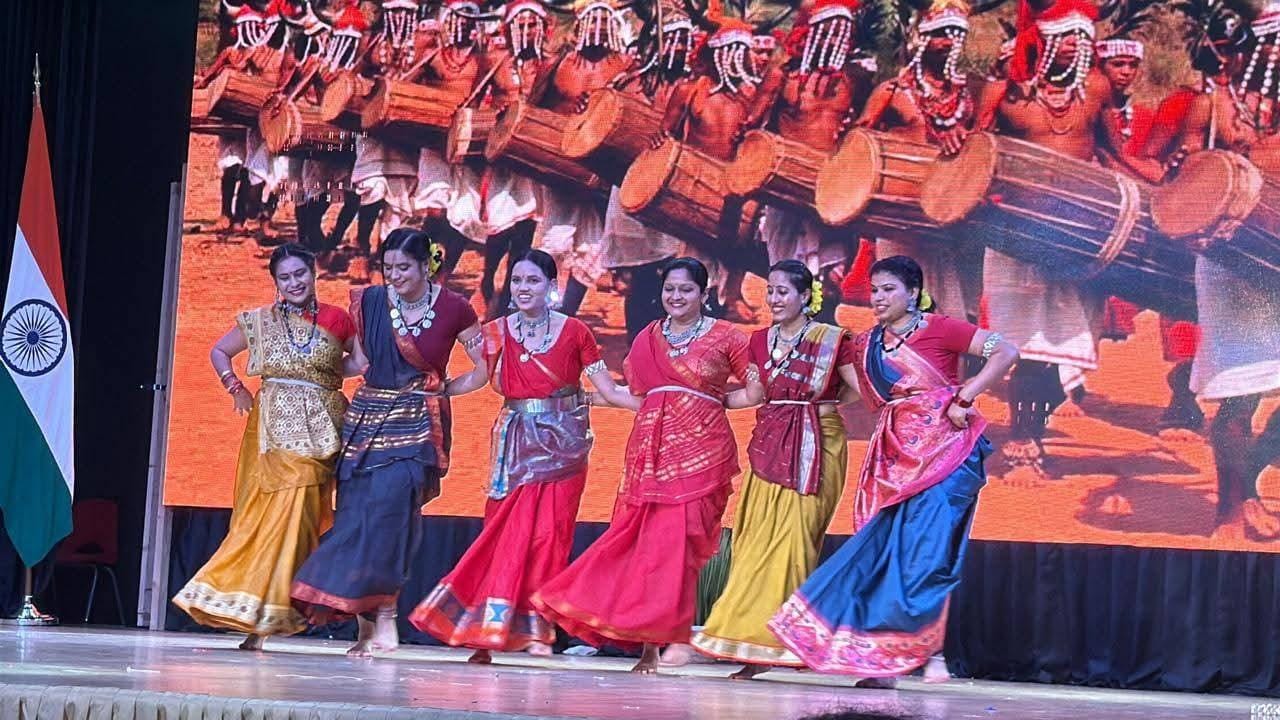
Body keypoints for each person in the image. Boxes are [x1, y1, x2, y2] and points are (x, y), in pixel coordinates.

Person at [769, 255, 1019, 687]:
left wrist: (965, 396)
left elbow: (1006, 351)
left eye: (889, 290)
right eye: (875, 290)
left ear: (913, 292)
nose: (878, 298)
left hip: (946, 453)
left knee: (928, 553)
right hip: (894, 454)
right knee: (883, 554)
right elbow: (860, 393)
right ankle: (884, 661)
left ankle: (930, 654)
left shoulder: (942, 328)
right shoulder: (867, 343)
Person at [530, 257, 762, 674]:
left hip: (703, 452)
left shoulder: (727, 336)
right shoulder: (648, 338)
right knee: (648, 546)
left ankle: (676, 637)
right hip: (651, 454)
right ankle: (649, 647)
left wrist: (714, 401)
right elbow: (637, 397)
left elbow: (754, 390)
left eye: (686, 289)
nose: (676, 296)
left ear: (704, 293)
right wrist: (590, 395)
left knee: (683, 544)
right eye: (670, 289)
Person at [409, 250, 634, 663]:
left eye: (533, 281)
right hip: (514, 446)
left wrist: (656, 402)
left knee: (551, 537)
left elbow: (607, 388)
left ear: (552, 286)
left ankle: (538, 629)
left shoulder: (575, 332)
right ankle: (487, 629)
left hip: (564, 448)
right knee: (502, 534)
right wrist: (438, 390)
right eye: (516, 281)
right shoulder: (496, 332)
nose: (523, 288)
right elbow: (478, 378)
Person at [290, 228, 488, 656]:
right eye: (388, 267)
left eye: (404, 268)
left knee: (392, 516)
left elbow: (483, 368)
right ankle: (367, 625)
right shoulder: (371, 301)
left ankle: (386, 613)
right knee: (354, 516)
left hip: (416, 423)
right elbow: (361, 361)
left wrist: (445, 390)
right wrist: (310, 368)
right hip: (366, 419)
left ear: (426, 266)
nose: (394, 276)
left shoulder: (455, 308)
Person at [173, 244, 356, 651]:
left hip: (322, 429)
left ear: (314, 272)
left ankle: (273, 610)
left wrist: (327, 372)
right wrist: (235, 387)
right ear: (275, 282)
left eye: (300, 274)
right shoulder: (261, 320)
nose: (294, 283)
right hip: (273, 430)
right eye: (285, 277)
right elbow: (219, 351)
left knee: (301, 521)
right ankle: (250, 610)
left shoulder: (338, 319)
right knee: (270, 516)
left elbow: (360, 363)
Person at [691, 260, 858, 679]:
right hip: (770, 442)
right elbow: (755, 394)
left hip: (816, 444)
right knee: (754, 538)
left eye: (783, 292)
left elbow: (858, 389)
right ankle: (751, 645)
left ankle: (787, 642)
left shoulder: (831, 339)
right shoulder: (760, 341)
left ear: (805, 296)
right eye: (771, 291)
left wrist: (820, 406)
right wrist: (706, 400)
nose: (774, 299)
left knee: (796, 540)